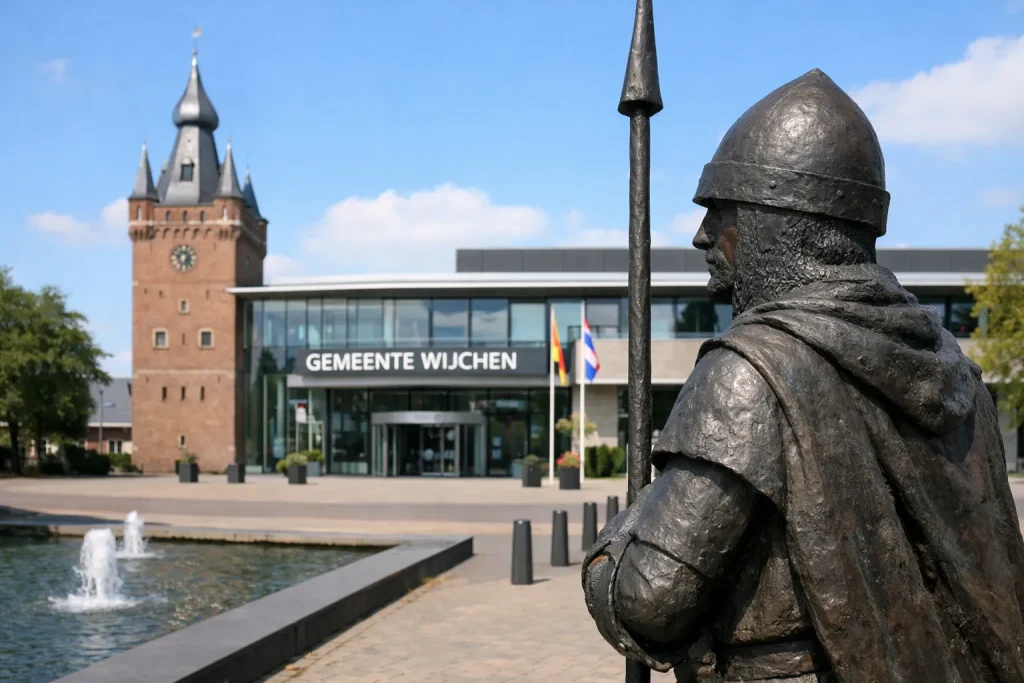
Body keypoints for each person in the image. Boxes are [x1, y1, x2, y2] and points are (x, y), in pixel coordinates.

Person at [582, 68, 1024, 683]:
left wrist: (615, 545)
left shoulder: (751, 370)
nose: (703, 235)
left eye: (723, 212)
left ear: (774, 220)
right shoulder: (957, 372)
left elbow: (652, 600)